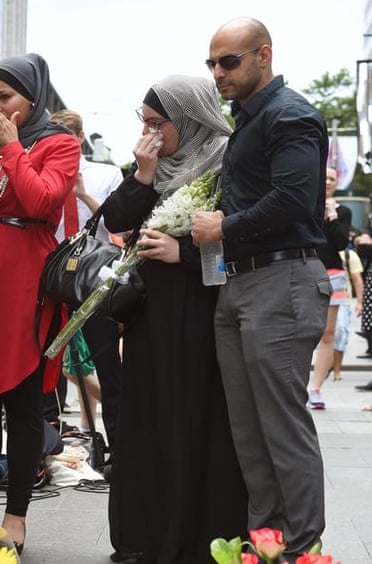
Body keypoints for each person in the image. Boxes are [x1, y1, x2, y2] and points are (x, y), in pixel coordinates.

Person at [193, 17, 330, 558]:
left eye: (229, 61)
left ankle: (301, 549)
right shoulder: (248, 118)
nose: (218, 73)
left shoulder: (289, 113)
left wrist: (223, 226)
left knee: (281, 427)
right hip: (243, 282)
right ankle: (265, 544)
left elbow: (297, 201)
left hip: (284, 280)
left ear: (262, 56)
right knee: (250, 433)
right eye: (212, 63)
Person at [102, 75, 247, 563]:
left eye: (157, 123)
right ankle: (145, 535)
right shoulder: (153, 165)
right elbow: (115, 219)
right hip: (150, 317)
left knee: (194, 417)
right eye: (143, 122)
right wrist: (143, 175)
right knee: (149, 418)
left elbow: (242, 241)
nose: (149, 133)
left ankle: (193, 537)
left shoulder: (228, 162)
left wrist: (179, 254)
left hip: (204, 314)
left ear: (188, 118)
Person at [0, 53, 80, 551]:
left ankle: (17, 513)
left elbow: (40, 201)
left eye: (6, 97)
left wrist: (8, 149)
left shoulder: (59, 143)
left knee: (24, 401)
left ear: (33, 97)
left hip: (27, 283)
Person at [50, 109, 124, 451]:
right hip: (52, 277)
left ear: (80, 137)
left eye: (67, 134)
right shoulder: (44, 173)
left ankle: (118, 447)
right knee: (48, 363)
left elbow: (120, 227)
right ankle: (49, 444)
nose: (60, 141)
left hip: (94, 279)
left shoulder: (105, 174)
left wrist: (82, 194)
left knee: (107, 363)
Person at [308, 166, 351, 409]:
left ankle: (316, 388)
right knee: (302, 331)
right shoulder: (306, 204)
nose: (327, 181)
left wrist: (332, 215)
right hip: (306, 270)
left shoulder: (342, 211)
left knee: (328, 333)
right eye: (324, 176)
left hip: (333, 273)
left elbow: (340, 243)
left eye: (332, 178)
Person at [332, 245, 363, 381]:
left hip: (342, 299)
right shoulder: (320, 250)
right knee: (325, 335)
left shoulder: (349, 255)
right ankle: (326, 365)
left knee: (341, 331)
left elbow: (357, 279)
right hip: (322, 299)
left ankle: (336, 369)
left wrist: (360, 302)